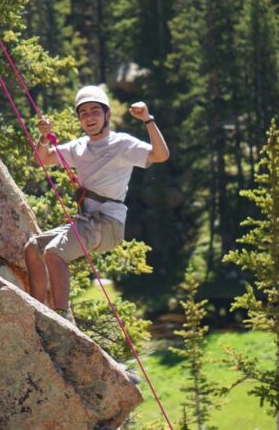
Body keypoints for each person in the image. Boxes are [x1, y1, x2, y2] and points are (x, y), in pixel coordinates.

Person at [23, 85, 169, 322]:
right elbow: (43, 159)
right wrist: (42, 137)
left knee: (54, 253)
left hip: (108, 224)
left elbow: (161, 155)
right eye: (83, 113)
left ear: (107, 115)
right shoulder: (79, 147)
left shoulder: (123, 144)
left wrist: (148, 120)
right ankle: (37, 311)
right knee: (32, 247)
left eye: (95, 112)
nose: (89, 117)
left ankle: (61, 318)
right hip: (88, 222)